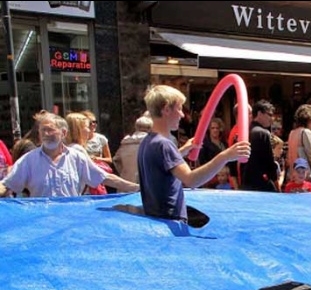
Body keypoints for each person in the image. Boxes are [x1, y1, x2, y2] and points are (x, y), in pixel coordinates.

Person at [137, 85, 251, 223]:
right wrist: (225, 156)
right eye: (179, 109)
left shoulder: (147, 142)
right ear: (166, 109)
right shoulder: (164, 145)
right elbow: (192, 180)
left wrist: (183, 150)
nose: (182, 115)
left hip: (156, 217)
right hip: (170, 220)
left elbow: (163, 165)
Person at [0, 113, 139, 198]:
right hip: (41, 226)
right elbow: (7, 185)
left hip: (70, 224)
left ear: (64, 133)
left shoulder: (77, 158)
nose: (46, 134)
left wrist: (138, 189)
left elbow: (104, 177)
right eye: (43, 130)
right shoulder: (29, 160)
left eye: (50, 130)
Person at [239, 100, 278, 192]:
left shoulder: (244, 132)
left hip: (245, 183)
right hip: (260, 184)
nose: (272, 119)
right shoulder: (263, 133)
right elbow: (269, 162)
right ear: (260, 113)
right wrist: (276, 183)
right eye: (270, 115)